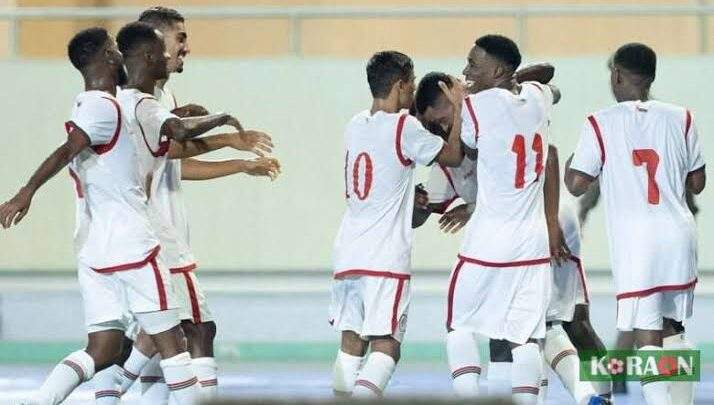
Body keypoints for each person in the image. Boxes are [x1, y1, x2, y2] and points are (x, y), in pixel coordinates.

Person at [0, 27, 198, 404]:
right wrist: (26, 192)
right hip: (133, 245)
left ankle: (39, 402)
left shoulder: (94, 105)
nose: (122, 56)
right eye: (115, 50)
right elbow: (69, 148)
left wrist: (173, 115)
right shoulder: (102, 106)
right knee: (173, 342)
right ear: (108, 57)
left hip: (95, 251)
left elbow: (124, 137)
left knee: (104, 347)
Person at [93, 8, 280, 404]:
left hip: (148, 234)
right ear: (153, 44)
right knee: (197, 329)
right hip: (157, 235)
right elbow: (175, 145)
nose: (186, 47)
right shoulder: (138, 101)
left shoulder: (158, 98)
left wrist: (239, 162)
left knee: (159, 340)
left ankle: (109, 391)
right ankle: (107, 391)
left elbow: (173, 164)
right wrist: (226, 132)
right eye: (180, 38)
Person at [565, 42, 705, 405]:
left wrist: (569, 164)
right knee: (673, 328)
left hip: (638, 243)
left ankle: (645, 392)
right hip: (679, 235)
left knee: (646, 335)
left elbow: (576, 184)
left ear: (616, 75)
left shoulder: (600, 122)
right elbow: (697, 184)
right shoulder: (682, 117)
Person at [329, 50, 465, 398]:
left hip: (348, 252)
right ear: (401, 84)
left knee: (351, 343)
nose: (414, 91)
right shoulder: (404, 126)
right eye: (413, 83)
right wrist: (458, 108)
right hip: (384, 256)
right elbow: (453, 156)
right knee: (387, 346)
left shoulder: (355, 124)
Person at [445, 34, 565, 405]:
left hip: (489, 240)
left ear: (497, 70)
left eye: (473, 65)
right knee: (525, 338)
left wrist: (460, 104)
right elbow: (550, 78)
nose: (466, 72)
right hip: (532, 244)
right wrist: (514, 81)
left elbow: (461, 152)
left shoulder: (477, 107)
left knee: (459, 327)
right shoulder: (539, 97)